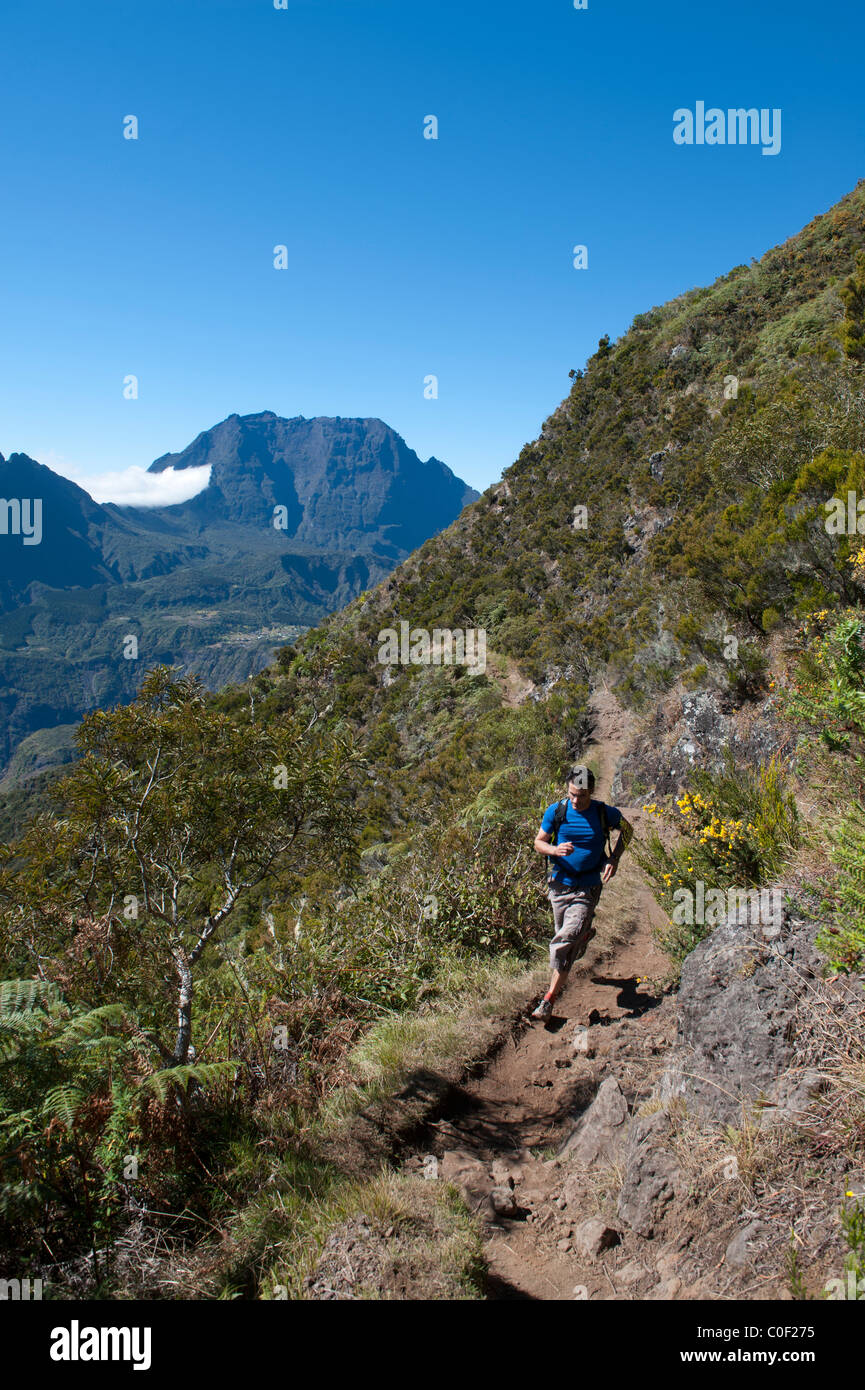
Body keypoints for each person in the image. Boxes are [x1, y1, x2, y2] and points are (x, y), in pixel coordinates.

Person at [531, 765, 633, 1021]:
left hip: (588, 886)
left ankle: (548, 1001)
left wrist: (614, 859)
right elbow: (538, 842)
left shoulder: (602, 812)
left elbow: (627, 829)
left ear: (592, 792)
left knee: (564, 941)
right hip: (559, 885)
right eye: (572, 794)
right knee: (567, 937)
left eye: (582, 795)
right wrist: (554, 850)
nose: (576, 800)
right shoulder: (557, 811)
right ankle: (583, 935)